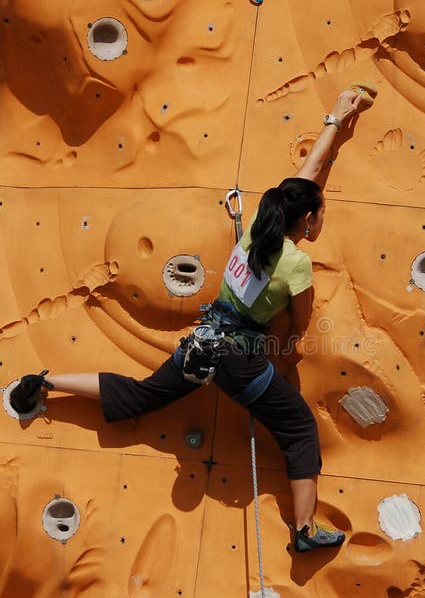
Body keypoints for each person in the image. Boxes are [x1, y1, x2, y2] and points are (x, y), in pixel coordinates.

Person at [9, 89, 366, 552]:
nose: (324, 219)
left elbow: (305, 175)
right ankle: (303, 530)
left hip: (204, 342)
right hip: (242, 363)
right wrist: (286, 355)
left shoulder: (261, 221)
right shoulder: (296, 265)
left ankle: (45, 381)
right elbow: (297, 326)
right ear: (309, 221)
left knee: (141, 395)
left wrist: (334, 121)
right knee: (298, 428)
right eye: (322, 213)